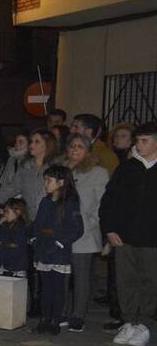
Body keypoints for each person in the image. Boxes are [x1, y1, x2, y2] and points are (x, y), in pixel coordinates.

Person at [0, 129, 61, 316]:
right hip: (30, 221)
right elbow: (15, 187)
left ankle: (50, 305)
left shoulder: (56, 165)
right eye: (31, 141)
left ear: (47, 145)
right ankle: (35, 303)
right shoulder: (25, 166)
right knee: (31, 263)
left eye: (36, 142)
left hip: (50, 220)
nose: (31, 145)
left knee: (47, 263)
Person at [100, 122, 157, 346]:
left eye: (145, 141)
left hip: (152, 239)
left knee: (150, 281)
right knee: (126, 280)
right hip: (124, 237)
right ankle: (129, 321)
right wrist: (110, 229)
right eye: (138, 141)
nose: (138, 145)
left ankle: (144, 324)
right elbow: (109, 201)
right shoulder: (126, 168)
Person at [32, 165, 83, 336]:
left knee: (58, 288)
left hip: (59, 252)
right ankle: (45, 319)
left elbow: (76, 229)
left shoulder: (70, 202)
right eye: (45, 180)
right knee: (45, 288)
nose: (45, 183)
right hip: (44, 249)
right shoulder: (45, 201)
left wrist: (60, 242)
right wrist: (34, 238)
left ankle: (55, 320)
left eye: (49, 180)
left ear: (60, 182)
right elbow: (38, 224)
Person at [65, 134, 108, 333]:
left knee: (81, 276)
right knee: (63, 275)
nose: (75, 150)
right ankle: (63, 311)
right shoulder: (63, 170)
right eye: (72, 146)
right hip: (62, 231)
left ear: (88, 150)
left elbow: (102, 204)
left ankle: (78, 315)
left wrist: (91, 224)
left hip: (84, 233)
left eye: (80, 146)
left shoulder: (97, 173)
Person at [0, 198, 30, 278]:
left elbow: (17, 246)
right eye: (4, 211)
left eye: (7, 212)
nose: (4, 214)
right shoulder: (6, 225)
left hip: (17, 267)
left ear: (18, 212)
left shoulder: (21, 227)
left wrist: (8, 244)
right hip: (4, 265)